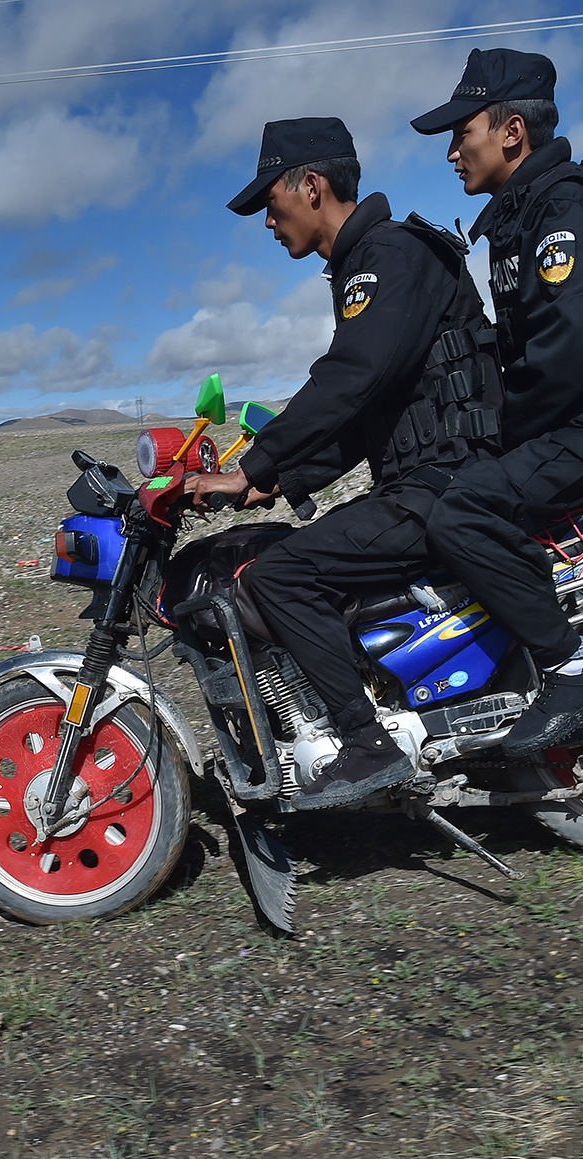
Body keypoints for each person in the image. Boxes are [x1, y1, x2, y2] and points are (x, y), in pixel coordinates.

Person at [185, 117, 502, 808]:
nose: (269, 222)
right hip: (433, 478)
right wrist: (273, 482)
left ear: (312, 185)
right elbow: (369, 413)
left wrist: (252, 463)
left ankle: (365, 743)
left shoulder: (385, 256)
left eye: (272, 203)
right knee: (291, 550)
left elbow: (350, 378)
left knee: (282, 575)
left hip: (446, 485)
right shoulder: (373, 262)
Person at [409, 48, 583, 757]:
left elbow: (567, 349)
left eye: (461, 134)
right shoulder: (523, 213)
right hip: (581, 421)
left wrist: (502, 436)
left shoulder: (567, 206)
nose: (452, 152)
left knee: (462, 510)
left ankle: (572, 667)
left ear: (512, 132)